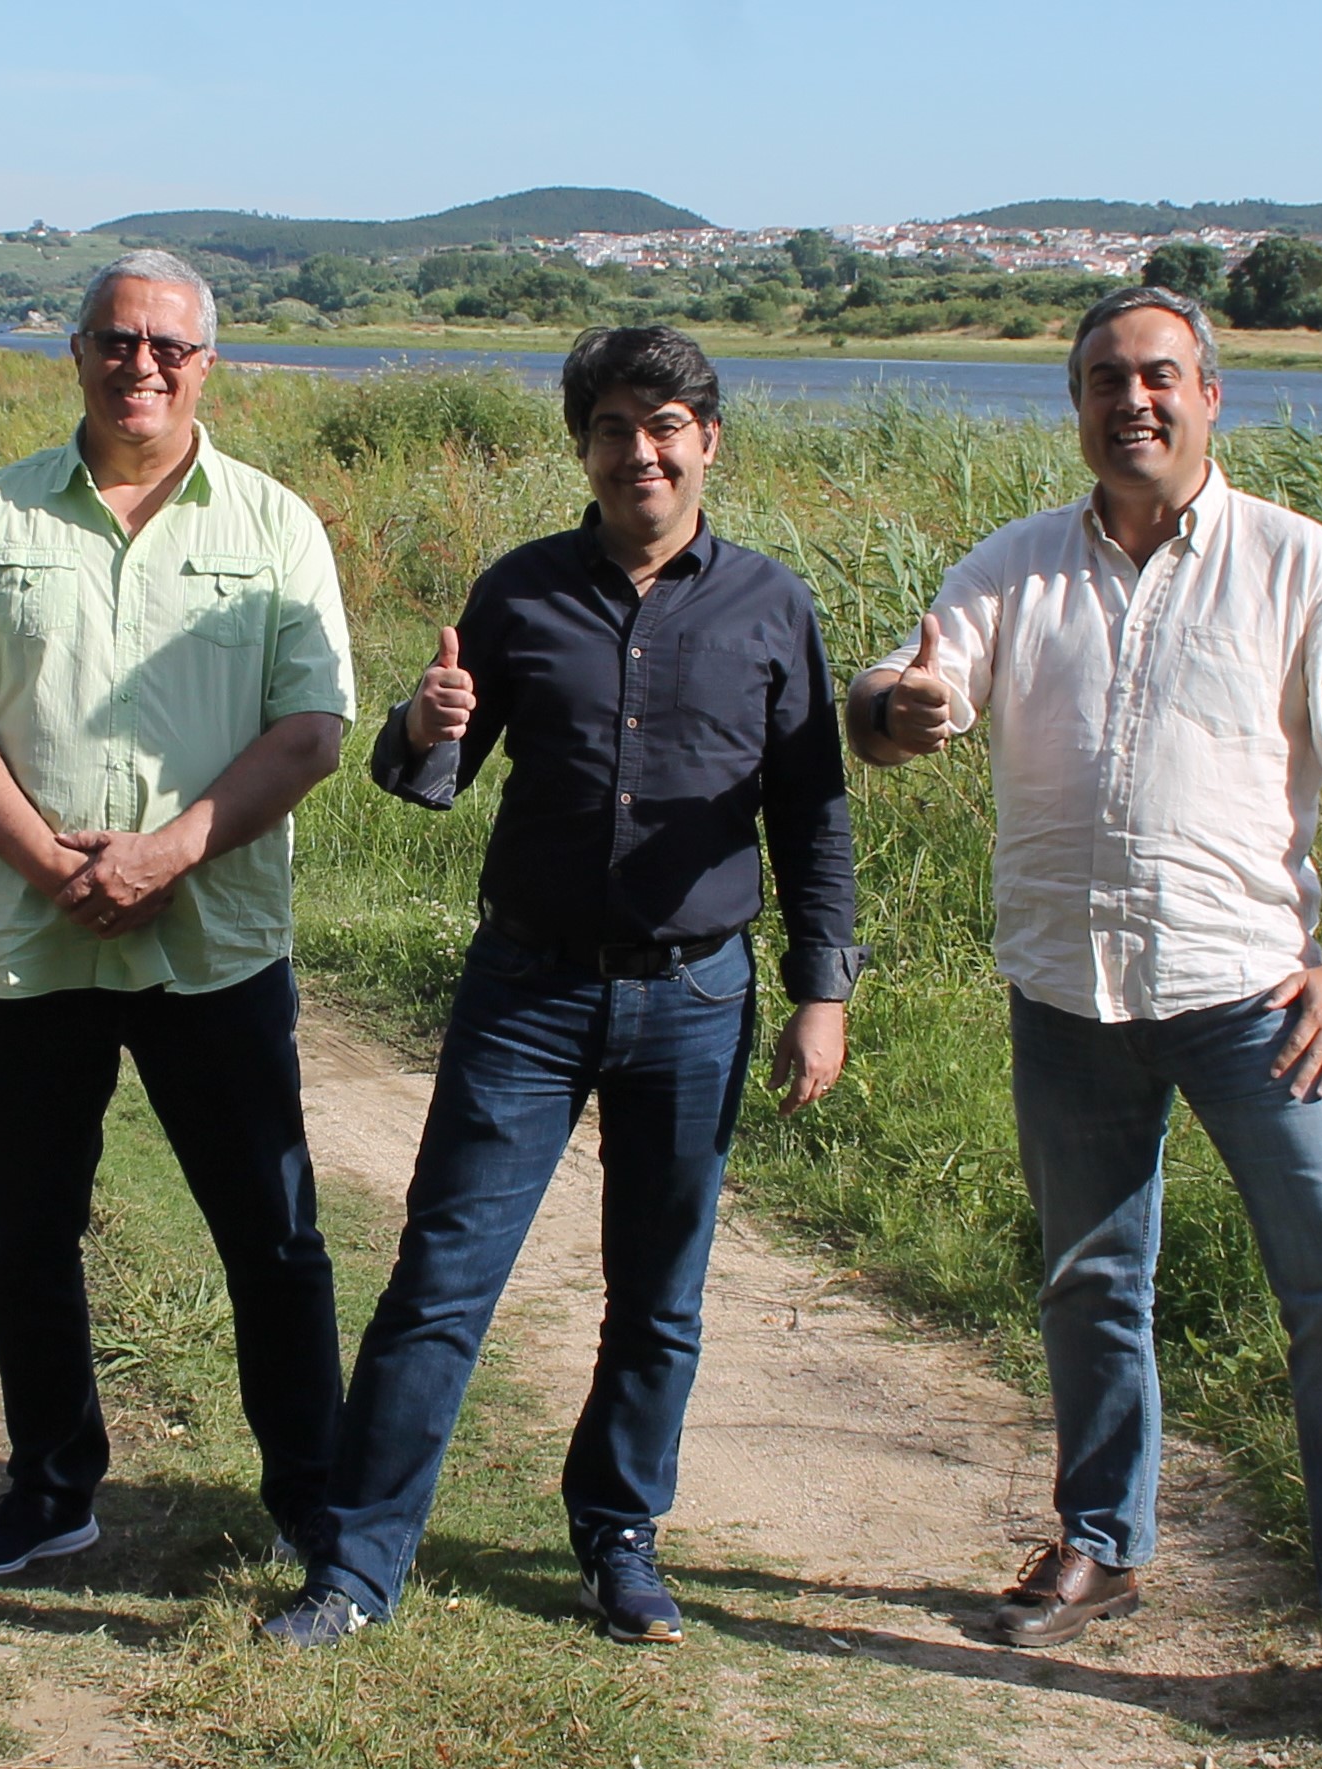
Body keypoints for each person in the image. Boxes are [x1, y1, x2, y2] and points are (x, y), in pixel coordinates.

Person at [847, 285, 1322, 1744]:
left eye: (1160, 375)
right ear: (1075, 403)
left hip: (1260, 1000)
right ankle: (1101, 1541)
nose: (1134, 401)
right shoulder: (1014, 567)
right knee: (1087, 1280)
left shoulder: (1298, 565)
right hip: (1069, 993)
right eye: (1106, 378)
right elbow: (906, 686)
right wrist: (893, 707)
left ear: (1208, 395)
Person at [263, 325, 861, 1650]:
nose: (637, 451)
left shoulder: (770, 606)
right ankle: (355, 1568)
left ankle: (618, 1542)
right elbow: (424, 773)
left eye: (663, 426)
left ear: (707, 440)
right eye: (610, 428)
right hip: (526, 993)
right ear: (582, 447)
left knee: (657, 1295)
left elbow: (812, 812)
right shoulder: (522, 590)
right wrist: (421, 724)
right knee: (441, 1276)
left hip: (696, 1000)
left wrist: (820, 993)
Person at [0, 250, 355, 1579]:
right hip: (31, 945)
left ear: (208, 363)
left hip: (214, 947)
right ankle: (49, 1490)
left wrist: (160, 857)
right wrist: (55, 866)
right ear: (77, 353)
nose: (138, 364)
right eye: (114, 339)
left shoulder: (273, 525)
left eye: (167, 345)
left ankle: (312, 1498)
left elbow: (311, 729)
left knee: (272, 1237)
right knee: (27, 1238)